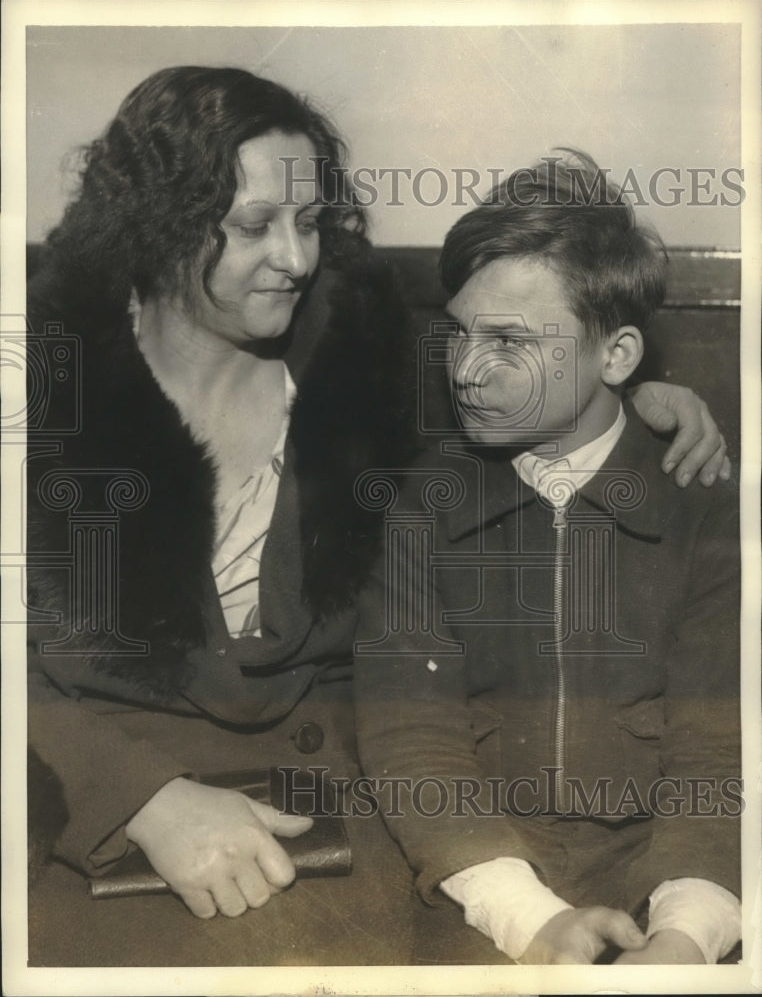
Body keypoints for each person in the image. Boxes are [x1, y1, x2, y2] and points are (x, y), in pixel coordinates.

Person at [26, 65, 729, 967]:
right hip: (94, 799)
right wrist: (139, 798)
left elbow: (551, 382)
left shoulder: (372, 358)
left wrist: (657, 402)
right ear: (154, 224)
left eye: (310, 221)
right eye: (255, 226)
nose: (296, 258)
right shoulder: (41, 387)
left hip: (334, 822)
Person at [353, 151, 741, 966]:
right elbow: (413, 739)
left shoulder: (707, 509)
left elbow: (718, 752)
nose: (465, 370)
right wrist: (526, 916)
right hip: (476, 877)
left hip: (678, 874)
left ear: (618, 357)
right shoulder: (422, 504)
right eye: (459, 333)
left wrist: (689, 934)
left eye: (508, 341)